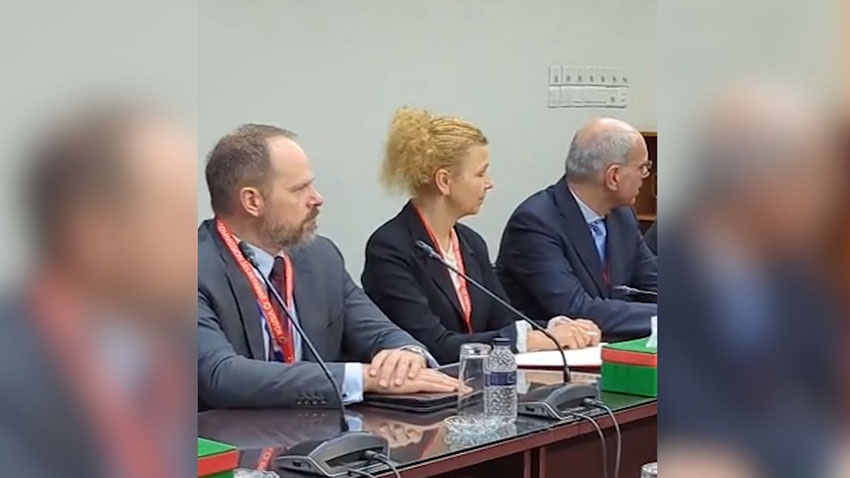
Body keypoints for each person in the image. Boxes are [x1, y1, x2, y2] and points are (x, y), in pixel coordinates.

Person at [198, 124, 458, 410]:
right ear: (252, 201)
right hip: (228, 435)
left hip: (319, 431)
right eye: (299, 189)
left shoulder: (320, 257)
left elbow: (379, 331)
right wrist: (363, 378)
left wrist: (405, 354)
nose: (317, 198)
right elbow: (221, 376)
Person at [361, 107, 600, 365]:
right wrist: (531, 340)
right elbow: (433, 345)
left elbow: (505, 321)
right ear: (444, 181)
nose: (489, 183)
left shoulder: (471, 243)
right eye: (480, 173)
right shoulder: (390, 248)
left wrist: (556, 329)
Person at [496, 117, 657, 340]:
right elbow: (576, 309)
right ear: (613, 176)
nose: (645, 176)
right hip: (555, 356)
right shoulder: (535, 223)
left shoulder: (622, 216)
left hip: (610, 346)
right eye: (642, 168)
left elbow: (653, 282)